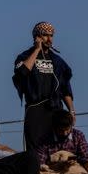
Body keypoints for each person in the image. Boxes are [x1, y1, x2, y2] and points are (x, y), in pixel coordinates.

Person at [12, 22, 74, 151]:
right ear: (37, 37)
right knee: (35, 147)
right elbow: (22, 73)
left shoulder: (58, 61)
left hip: (55, 108)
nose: (49, 39)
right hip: (36, 108)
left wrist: (71, 111)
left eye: (51, 35)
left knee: (58, 146)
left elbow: (65, 88)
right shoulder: (24, 56)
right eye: (45, 35)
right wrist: (36, 50)